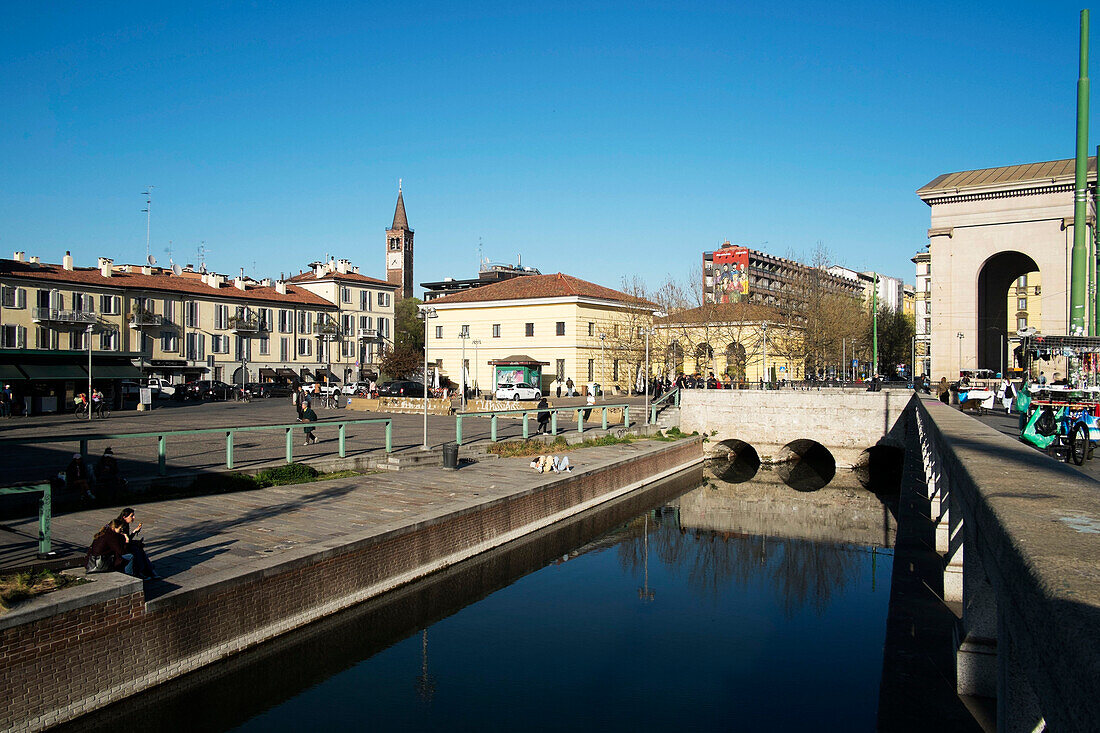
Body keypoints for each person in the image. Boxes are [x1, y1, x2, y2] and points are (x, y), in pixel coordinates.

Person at [116, 507, 160, 579]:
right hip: (121, 548)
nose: (133, 517)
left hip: (124, 546)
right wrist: (134, 535)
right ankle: (144, 571)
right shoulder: (122, 527)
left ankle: (149, 570)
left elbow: (127, 540)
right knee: (137, 551)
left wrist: (134, 533)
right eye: (131, 516)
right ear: (124, 517)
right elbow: (126, 541)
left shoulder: (125, 525)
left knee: (139, 549)